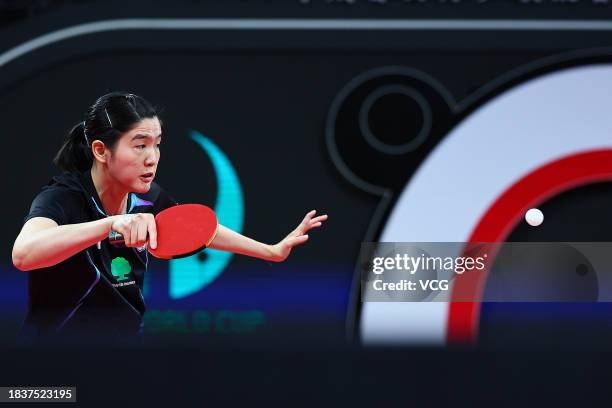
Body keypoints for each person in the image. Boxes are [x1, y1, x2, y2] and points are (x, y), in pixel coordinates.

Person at [11, 92, 327, 340]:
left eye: (157, 145)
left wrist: (269, 251)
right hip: (53, 362)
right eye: (139, 145)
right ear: (100, 151)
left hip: (119, 362)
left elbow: (198, 230)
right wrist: (110, 225)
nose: (152, 158)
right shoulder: (64, 197)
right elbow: (24, 254)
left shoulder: (147, 197)